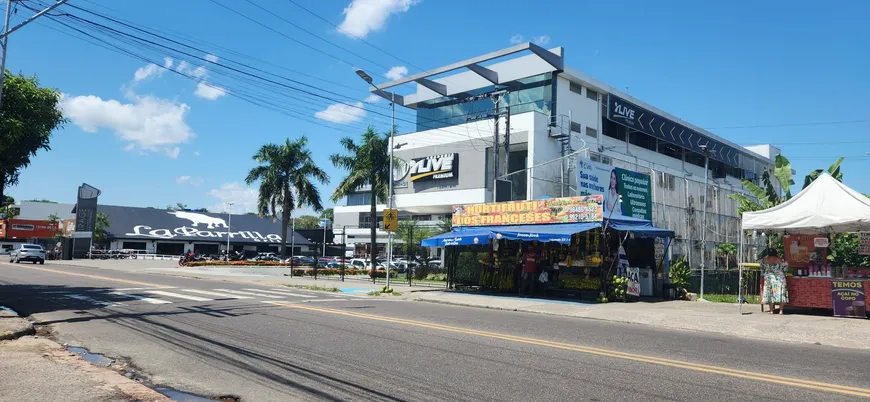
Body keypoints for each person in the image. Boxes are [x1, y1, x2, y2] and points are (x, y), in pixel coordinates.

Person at [760, 247, 788, 314]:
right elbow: (786, 267)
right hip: (779, 278)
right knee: (781, 293)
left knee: (770, 294)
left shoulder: (764, 260)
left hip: (769, 278)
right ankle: (781, 310)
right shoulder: (780, 260)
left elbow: (762, 269)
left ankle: (771, 310)